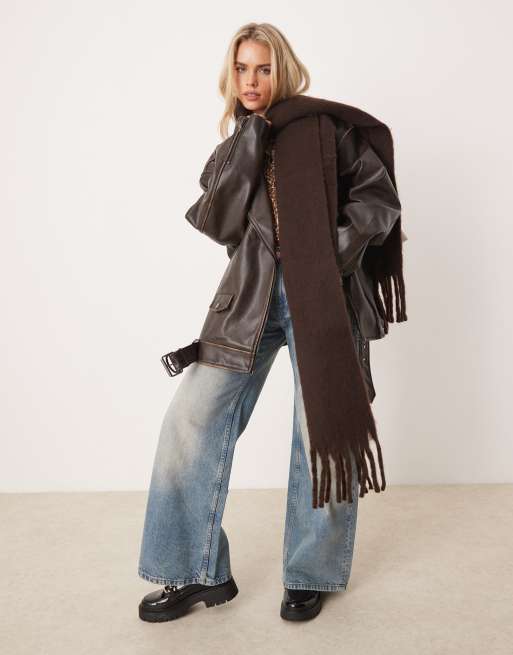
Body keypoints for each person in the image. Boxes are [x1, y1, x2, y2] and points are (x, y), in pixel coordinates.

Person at [137, 22, 405, 623]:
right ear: (230, 75)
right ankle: (196, 573)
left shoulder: (328, 130)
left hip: (324, 297)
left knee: (320, 433)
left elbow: (378, 201)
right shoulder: (236, 145)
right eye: (241, 69)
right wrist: (253, 138)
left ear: (281, 69)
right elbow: (219, 222)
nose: (251, 80)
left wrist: (329, 255)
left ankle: (310, 573)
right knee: (190, 421)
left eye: (262, 68)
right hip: (249, 302)